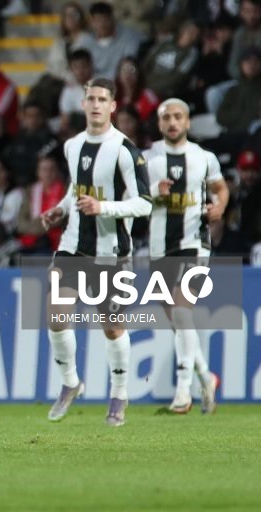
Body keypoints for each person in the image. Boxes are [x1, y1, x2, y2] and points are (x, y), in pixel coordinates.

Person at [41, 77, 152, 427]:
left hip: (112, 250)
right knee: (56, 314)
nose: (95, 104)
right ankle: (70, 382)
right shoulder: (73, 145)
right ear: (83, 102)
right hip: (73, 244)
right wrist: (61, 208)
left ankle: (119, 394)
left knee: (112, 327)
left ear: (113, 106)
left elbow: (145, 203)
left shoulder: (124, 149)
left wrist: (103, 208)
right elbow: (77, 188)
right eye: (90, 98)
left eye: (102, 99)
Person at [144, 98, 227, 414]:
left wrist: (219, 206)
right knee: (176, 318)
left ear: (188, 122)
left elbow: (220, 189)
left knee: (180, 307)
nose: (173, 122)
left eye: (179, 116)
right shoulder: (148, 158)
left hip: (195, 241)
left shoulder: (203, 157)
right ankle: (206, 377)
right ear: (159, 123)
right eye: (167, 117)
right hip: (159, 245)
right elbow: (131, 198)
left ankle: (182, 392)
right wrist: (153, 193)